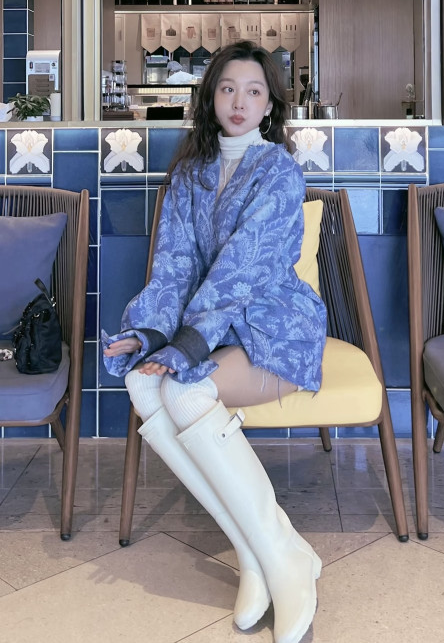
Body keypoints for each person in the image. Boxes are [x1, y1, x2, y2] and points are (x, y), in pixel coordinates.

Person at [103, 41, 326, 643]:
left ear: (270, 105)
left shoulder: (279, 171)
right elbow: (173, 267)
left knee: (183, 391)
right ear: (210, 97)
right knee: (141, 385)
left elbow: (241, 270)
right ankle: (258, 554)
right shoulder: (189, 173)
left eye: (253, 91)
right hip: (215, 331)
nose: (239, 101)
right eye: (228, 88)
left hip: (276, 329)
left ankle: (284, 560)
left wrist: (187, 344)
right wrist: (149, 333)